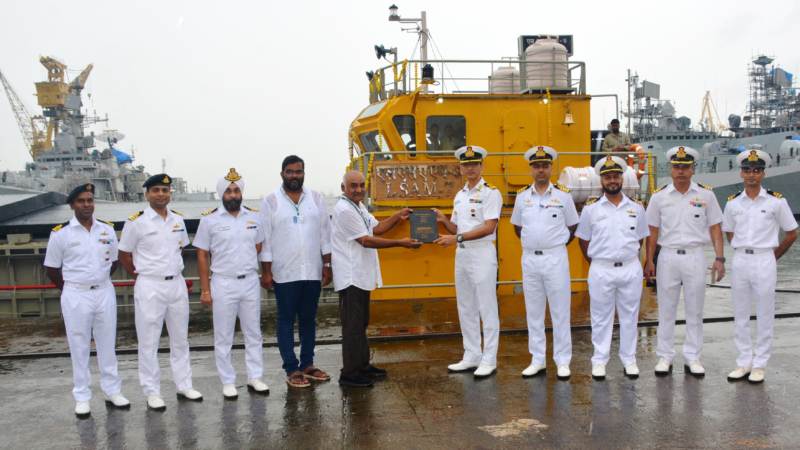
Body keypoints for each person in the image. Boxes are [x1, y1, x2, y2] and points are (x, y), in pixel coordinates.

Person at [44, 183, 130, 418]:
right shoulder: (61, 233)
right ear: (72, 205)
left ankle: (112, 391)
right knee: (79, 345)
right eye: (81, 201)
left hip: (103, 291)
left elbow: (113, 262)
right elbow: (51, 269)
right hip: (76, 293)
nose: (86, 205)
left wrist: (97, 282)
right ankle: (82, 396)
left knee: (107, 343)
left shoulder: (107, 230)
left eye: (90, 200)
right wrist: (71, 289)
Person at [118, 174, 202, 411]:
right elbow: (124, 255)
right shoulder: (136, 222)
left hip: (175, 283)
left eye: (165, 190)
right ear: (146, 194)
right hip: (149, 285)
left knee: (180, 339)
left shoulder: (178, 220)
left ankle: (184, 385)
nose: (161, 194)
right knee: (148, 341)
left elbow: (181, 250)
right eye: (155, 190)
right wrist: (142, 277)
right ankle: (152, 392)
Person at [644, 146, 726, 377]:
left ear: (692, 170)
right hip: (668, 256)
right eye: (677, 167)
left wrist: (719, 258)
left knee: (695, 309)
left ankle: (693, 357)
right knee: (666, 309)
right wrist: (650, 261)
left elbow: (715, 229)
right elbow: (652, 231)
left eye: (685, 167)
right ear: (671, 170)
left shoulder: (706, 195)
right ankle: (665, 355)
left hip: (695, 256)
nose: (681, 171)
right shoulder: (659, 197)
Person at [332, 170, 418, 387]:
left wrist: (398, 216)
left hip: (361, 275)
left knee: (361, 323)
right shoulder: (344, 210)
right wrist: (400, 243)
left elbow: (377, 228)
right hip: (351, 276)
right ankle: (349, 374)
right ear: (344, 188)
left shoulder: (358, 206)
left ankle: (362, 365)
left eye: (362, 185)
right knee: (352, 326)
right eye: (353, 185)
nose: (359, 189)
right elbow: (365, 240)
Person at [722, 149, 797, 384]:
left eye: (756, 170)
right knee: (740, 313)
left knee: (765, 313)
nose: (751, 174)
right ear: (741, 174)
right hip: (741, 259)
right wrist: (741, 248)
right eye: (747, 170)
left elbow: (792, 234)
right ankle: (744, 362)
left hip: (765, 259)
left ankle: (760, 364)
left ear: (763, 174)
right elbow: (729, 232)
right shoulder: (733, 203)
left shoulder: (776, 202)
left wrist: (773, 257)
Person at [194, 168, 269, 399]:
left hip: (248, 282)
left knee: (253, 333)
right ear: (221, 194)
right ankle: (228, 381)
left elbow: (257, 246)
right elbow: (202, 255)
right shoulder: (209, 220)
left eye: (236, 190)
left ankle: (255, 377)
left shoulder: (254, 217)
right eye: (228, 191)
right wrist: (205, 289)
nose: (233, 194)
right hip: (222, 283)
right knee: (223, 336)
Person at [260, 155, 333, 389]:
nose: (294, 176)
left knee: (309, 319)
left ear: (304, 173)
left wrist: (327, 265)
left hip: (312, 270)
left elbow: (325, 235)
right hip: (285, 272)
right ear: (282, 174)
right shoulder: (271, 201)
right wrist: (267, 272)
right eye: (290, 172)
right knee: (285, 320)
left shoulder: (317, 199)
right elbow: (266, 240)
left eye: (298, 172)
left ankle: (308, 364)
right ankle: (291, 368)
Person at [575, 156, 649, 380]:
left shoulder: (637, 208)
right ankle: (599, 360)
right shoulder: (591, 209)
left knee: (630, 315)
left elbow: (640, 239)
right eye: (608, 177)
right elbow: (583, 240)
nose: (612, 180)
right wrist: (597, 263)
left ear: (622, 179)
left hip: (629, 268)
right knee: (600, 316)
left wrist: (628, 258)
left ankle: (629, 359)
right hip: (601, 269)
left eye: (616, 176)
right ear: (602, 181)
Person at [433, 146, 503, 378]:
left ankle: (489, 359)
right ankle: (472, 355)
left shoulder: (490, 192)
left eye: (474, 164)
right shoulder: (460, 195)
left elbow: (489, 227)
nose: (470, 168)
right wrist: (443, 220)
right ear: (460, 168)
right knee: (466, 306)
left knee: (487, 307)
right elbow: (457, 228)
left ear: (482, 166)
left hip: (481, 252)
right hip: (462, 253)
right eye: (466, 164)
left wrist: (456, 237)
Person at [510, 146, 579, 379]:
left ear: (551, 168)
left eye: (545, 166)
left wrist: (554, 246)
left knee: (560, 311)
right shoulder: (522, 197)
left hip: (555, 258)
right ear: (530, 168)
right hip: (530, 259)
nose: (541, 170)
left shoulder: (564, 196)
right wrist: (535, 244)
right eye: (536, 166)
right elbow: (518, 228)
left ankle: (562, 361)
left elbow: (572, 226)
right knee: (534, 311)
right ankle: (537, 359)